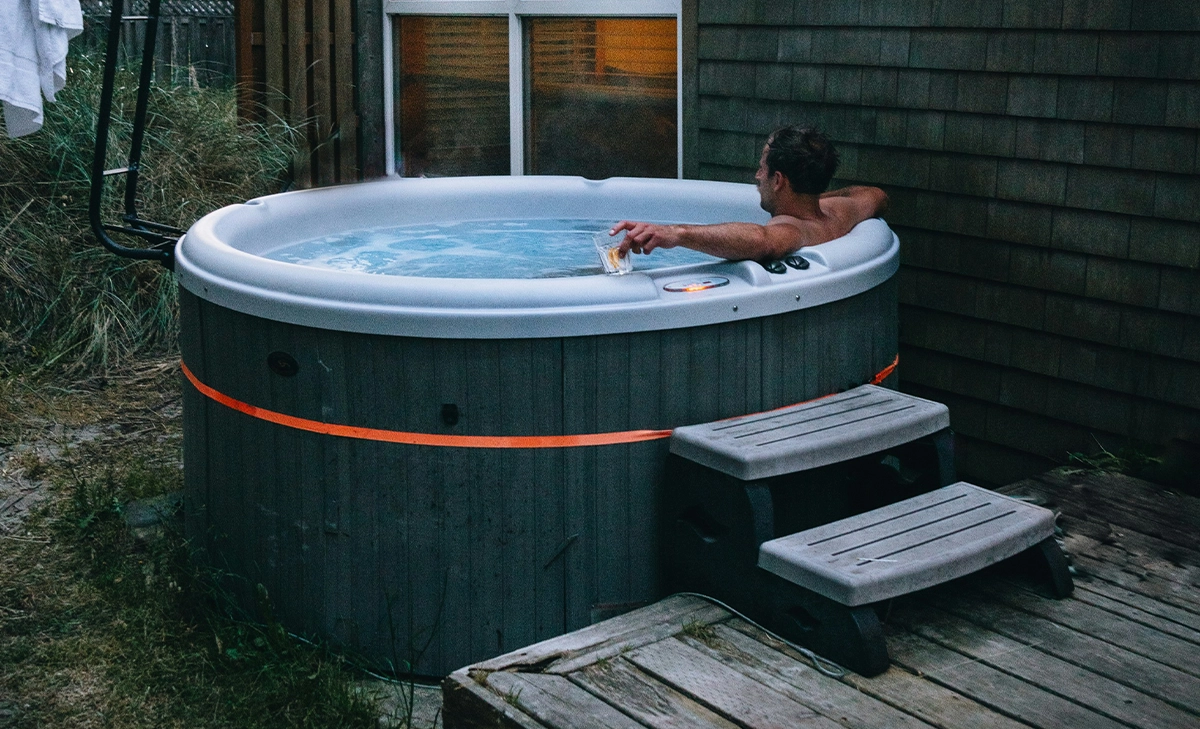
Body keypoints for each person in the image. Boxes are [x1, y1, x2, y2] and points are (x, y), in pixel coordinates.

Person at [610, 126, 888, 262]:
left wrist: (676, 233)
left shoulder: (793, 229)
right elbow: (876, 194)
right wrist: (812, 195)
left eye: (761, 168)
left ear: (778, 180)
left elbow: (761, 240)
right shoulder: (841, 212)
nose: (757, 176)